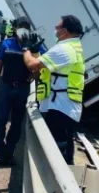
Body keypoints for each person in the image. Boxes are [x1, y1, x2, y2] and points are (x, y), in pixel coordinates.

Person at [20, 15, 85, 164]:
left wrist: (26, 49)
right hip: (65, 106)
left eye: (57, 28)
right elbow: (46, 66)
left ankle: (62, 183)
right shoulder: (73, 47)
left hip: (60, 107)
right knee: (65, 148)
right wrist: (36, 51)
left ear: (65, 31)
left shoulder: (64, 49)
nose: (55, 31)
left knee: (59, 150)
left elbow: (33, 65)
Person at [0, 17, 45, 165]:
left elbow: (41, 65)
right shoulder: (7, 43)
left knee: (16, 123)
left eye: (25, 26)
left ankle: (9, 152)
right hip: (6, 86)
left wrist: (33, 75)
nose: (22, 29)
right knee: (1, 121)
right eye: (20, 26)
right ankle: (0, 150)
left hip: (22, 88)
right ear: (14, 28)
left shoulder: (35, 46)